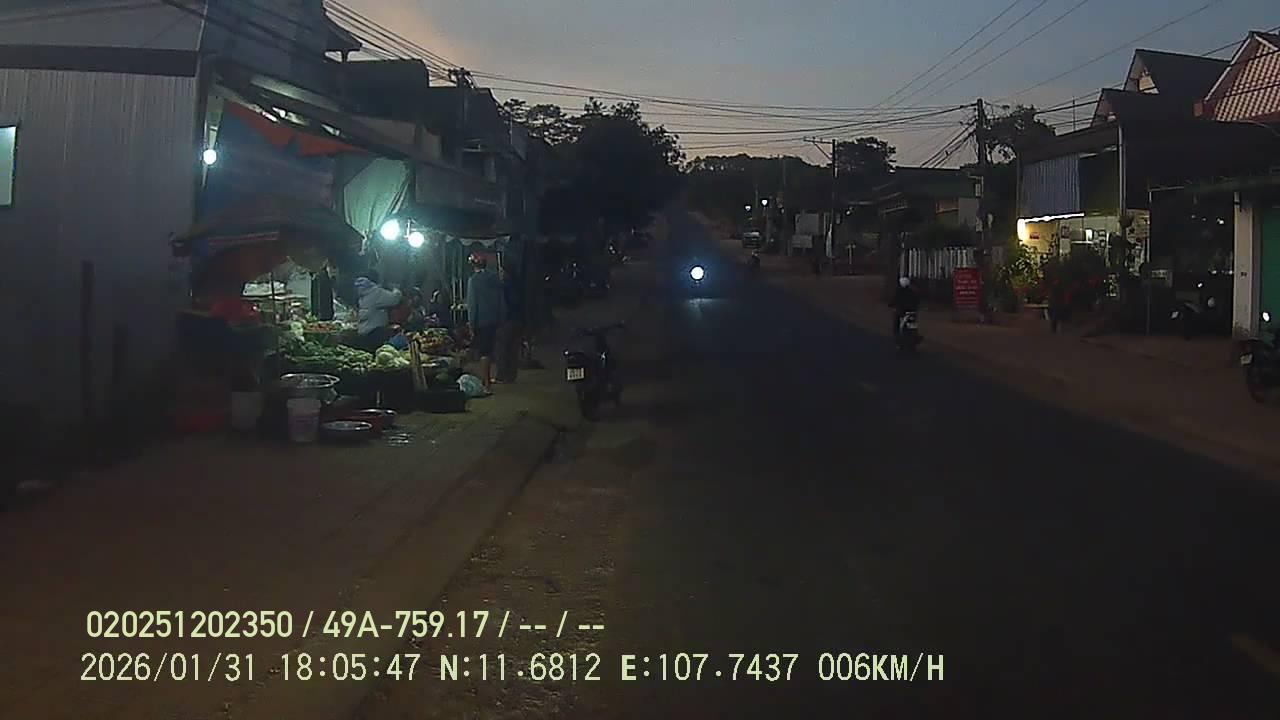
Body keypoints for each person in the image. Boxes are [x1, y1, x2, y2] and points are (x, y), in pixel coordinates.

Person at [465, 254, 505, 394]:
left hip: (481, 321)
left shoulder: (473, 281)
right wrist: (501, 317)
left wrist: (471, 324)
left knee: (484, 353)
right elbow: (501, 299)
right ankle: (490, 380)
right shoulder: (494, 278)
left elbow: (472, 305)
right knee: (492, 350)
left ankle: (487, 385)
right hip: (495, 319)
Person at [353, 270, 402, 351]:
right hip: (375, 333)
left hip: (363, 331)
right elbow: (395, 299)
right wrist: (396, 289)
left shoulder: (361, 291)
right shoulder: (376, 292)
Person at [495, 267, 525, 383]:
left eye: (502, 271)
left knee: (502, 350)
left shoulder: (503, 288)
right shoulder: (517, 286)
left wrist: (500, 320)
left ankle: (502, 376)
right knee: (513, 350)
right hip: (517, 321)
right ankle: (511, 375)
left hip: (506, 322)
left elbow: (502, 306)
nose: (500, 274)